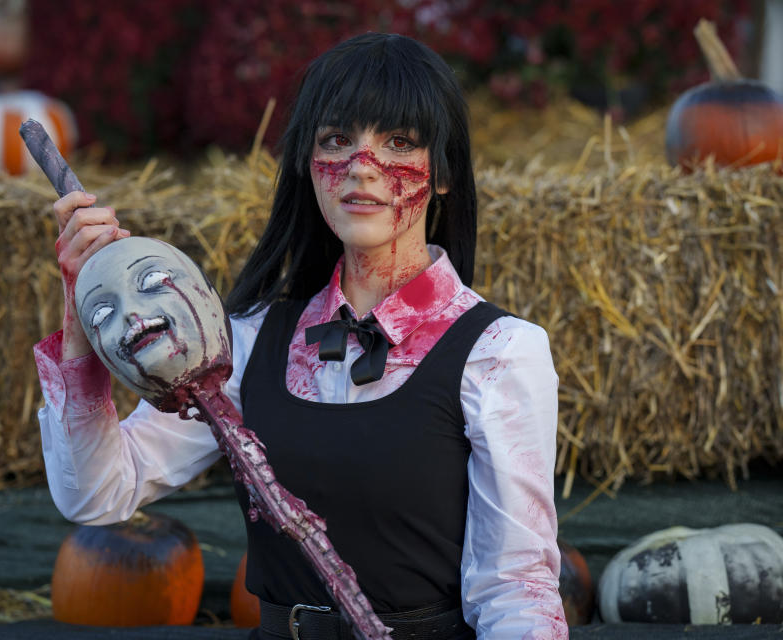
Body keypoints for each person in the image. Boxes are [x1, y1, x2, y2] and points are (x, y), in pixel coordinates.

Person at [34, 32, 567, 640]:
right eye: (336, 141)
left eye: (397, 143)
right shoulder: (250, 342)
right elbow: (100, 494)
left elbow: (517, 586)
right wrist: (83, 316)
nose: (360, 168)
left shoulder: (498, 353)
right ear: (308, 167)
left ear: (442, 173)